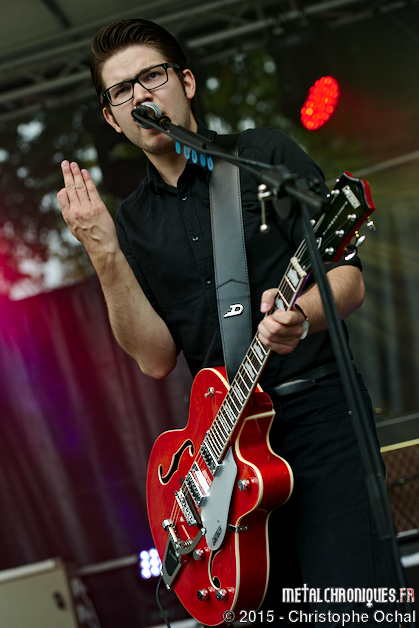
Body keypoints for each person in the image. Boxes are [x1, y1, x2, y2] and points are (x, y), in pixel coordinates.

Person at [57, 19, 396, 626]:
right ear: (111, 117)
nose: (140, 95)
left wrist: (300, 316)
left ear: (185, 82)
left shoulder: (263, 156)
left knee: (355, 611)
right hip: (224, 457)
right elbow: (154, 358)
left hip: (319, 421)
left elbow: (347, 280)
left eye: (151, 76)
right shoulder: (132, 222)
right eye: (121, 90)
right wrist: (103, 251)